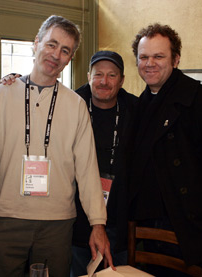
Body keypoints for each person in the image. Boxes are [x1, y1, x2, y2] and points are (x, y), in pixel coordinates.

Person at [0, 15, 113, 277]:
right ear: (36, 43)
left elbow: (87, 168)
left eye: (65, 50)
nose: (56, 54)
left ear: (70, 58)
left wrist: (98, 223)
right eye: (51, 44)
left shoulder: (76, 105)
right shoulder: (1, 95)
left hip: (57, 223)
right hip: (6, 217)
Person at [127, 23, 202, 276]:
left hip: (189, 228)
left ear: (176, 59)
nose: (150, 63)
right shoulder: (139, 106)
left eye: (159, 56)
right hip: (147, 228)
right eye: (144, 57)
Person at [70, 51, 138, 276]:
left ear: (122, 80)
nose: (104, 82)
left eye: (111, 75)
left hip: (120, 216)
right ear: (88, 76)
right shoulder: (71, 105)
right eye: (98, 74)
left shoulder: (135, 109)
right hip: (77, 217)